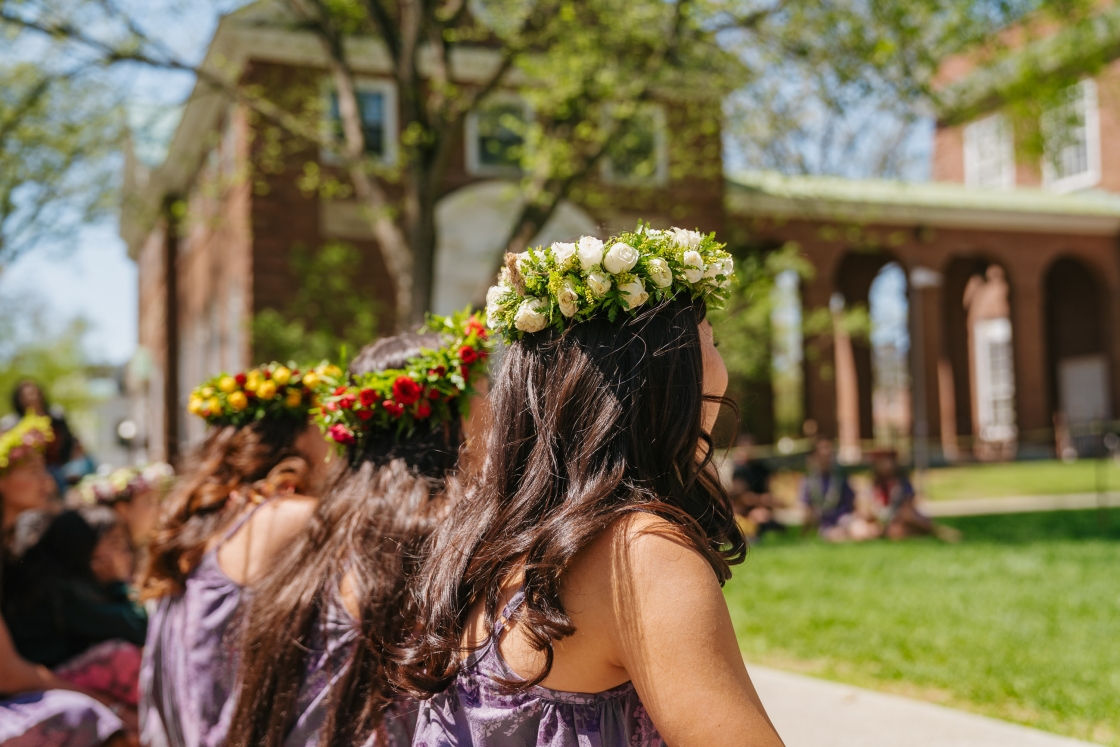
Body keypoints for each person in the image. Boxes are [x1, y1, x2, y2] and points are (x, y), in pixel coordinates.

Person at [400, 227, 784, 747]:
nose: (723, 369)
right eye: (709, 340)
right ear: (661, 374)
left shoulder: (481, 547)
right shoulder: (641, 555)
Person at [227, 313, 492, 747]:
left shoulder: (323, 530)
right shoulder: (452, 535)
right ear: (448, 420)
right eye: (485, 392)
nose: (497, 409)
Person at [137, 362, 334, 747]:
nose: (329, 441)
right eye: (319, 425)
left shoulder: (201, 518)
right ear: (294, 437)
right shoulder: (283, 515)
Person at [0, 414, 131, 746]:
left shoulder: (16, 545)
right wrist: (110, 705)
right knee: (83, 714)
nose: (48, 480)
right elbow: (9, 673)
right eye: (33, 471)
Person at [9, 380, 95, 493]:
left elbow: (70, 441)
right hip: (36, 470)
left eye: (34, 392)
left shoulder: (56, 417)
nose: (32, 397)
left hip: (61, 466)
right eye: (27, 394)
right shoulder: (15, 424)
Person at [73, 463, 176, 551]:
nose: (158, 510)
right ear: (122, 509)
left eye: (157, 502)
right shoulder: (109, 556)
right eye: (148, 502)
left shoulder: (150, 549)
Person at [869, 449, 960, 542]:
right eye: (881, 462)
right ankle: (936, 532)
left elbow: (908, 505)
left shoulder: (902, 483)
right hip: (881, 519)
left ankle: (935, 531)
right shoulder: (872, 484)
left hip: (900, 517)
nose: (886, 465)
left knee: (903, 523)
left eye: (888, 461)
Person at [799, 438, 877, 542]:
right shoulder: (808, 481)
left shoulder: (841, 476)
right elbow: (806, 511)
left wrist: (863, 516)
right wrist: (806, 533)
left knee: (863, 531)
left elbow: (853, 502)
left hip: (845, 518)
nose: (827, 459)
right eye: (823, 456)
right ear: (815, 457)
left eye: (829, 455)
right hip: (825, 524)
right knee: (837, 536)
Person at [729, 434, 785, 539]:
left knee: (771, 524)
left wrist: (768, 502)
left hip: (761, 509)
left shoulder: (762, 468)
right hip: (744, 512)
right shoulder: (739, 470)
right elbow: (742, 498)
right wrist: (762, 499)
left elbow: (770, 491)